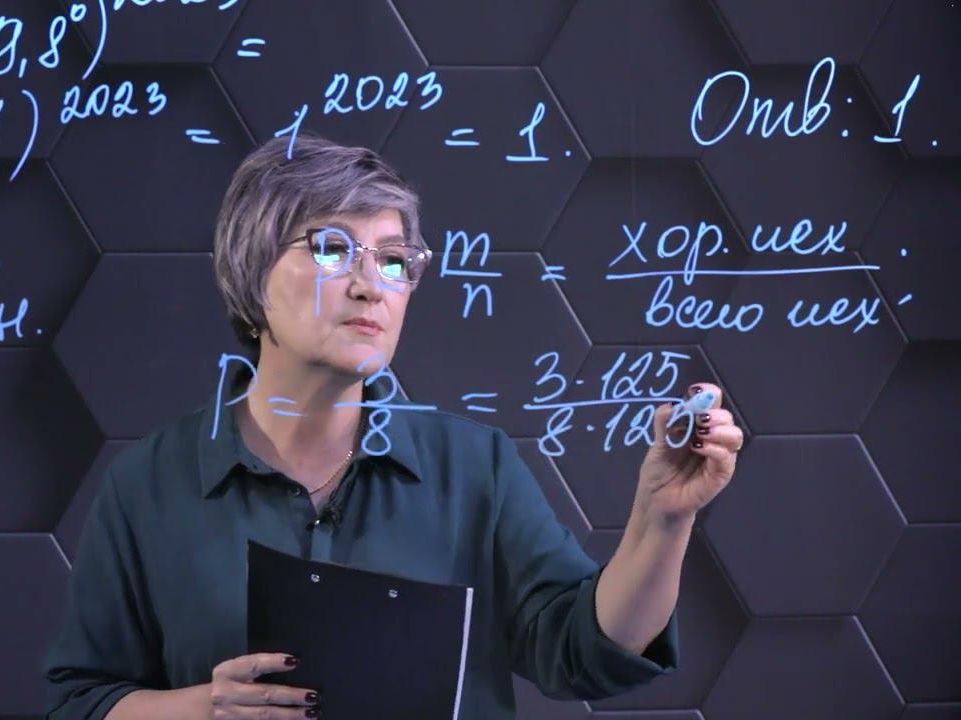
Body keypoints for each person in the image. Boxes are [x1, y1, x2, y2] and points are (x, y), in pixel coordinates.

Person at [43, 133, 744, 719]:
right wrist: (205, 709)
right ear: (251, 273)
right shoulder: (147, 485)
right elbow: (81, 703)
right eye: (330, 249)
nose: (369, 284)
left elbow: (584, 654)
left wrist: (662, 519)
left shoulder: (476, 468)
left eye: (393, 260)